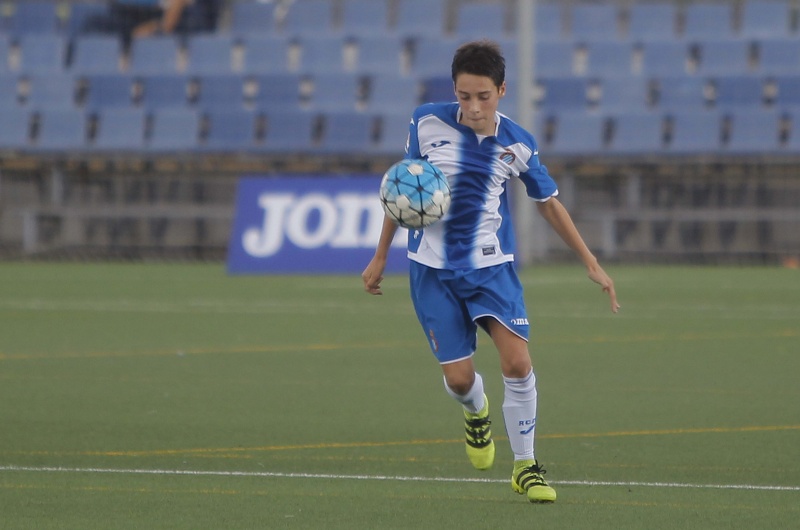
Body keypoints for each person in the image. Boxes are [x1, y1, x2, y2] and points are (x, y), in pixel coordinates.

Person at [361, 39, 620, 504]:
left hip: (490, 269)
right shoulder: (426, 122)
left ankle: (526, 467)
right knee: (460, 380)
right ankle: (475, 410)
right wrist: (381, 256)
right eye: (465, 96)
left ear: (501, 90)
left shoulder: (517, 142)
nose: (474, 107)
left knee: (518, 363)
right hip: (432, 272)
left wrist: (592, 262)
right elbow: (403, 190)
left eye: (483, 96)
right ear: (454, 91)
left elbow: (549, 204)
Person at [81, 0, 220, 46]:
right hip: (128, 14)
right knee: (93, 25)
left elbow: (176, 10)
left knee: (192, 28)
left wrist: (156, 26)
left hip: (165, 18)